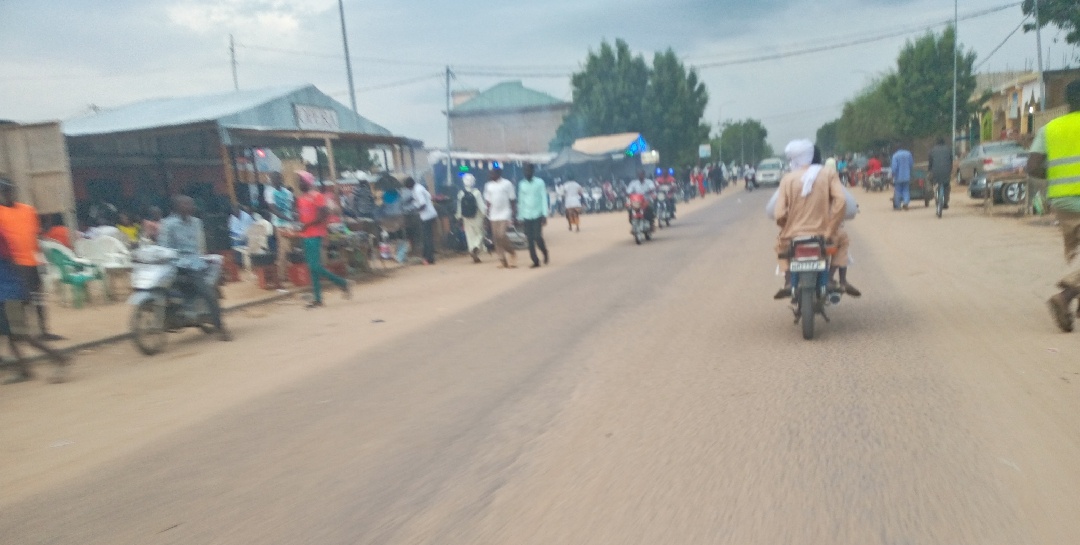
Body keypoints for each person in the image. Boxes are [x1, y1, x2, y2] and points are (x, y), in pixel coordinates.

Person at [1027, 78, 1080, 332]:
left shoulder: (1051, 128)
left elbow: (1033, 167)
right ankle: (1067, 295)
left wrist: (1057, 177)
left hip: (1061, 201)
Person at [770, 140, 846, 299]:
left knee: (781, 247)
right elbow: (841, 202)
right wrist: (831, 228)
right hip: (824, 233)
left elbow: (778, 213)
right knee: (843, 240)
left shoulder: (787, 179)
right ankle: (831, 278)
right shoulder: (828, 173)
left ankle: (789, 280)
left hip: (793, 234)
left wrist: (786, 226)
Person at [0, 227, 68, 384]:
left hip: (10, 295)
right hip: (8, 293)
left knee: (21, 335)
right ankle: (24, 370)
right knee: (11, 335)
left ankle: (60, 358)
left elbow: (13, 267)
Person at [158, 195, 231, 340]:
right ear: (176, 207)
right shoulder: (168, 224)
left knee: (207, 292)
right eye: (185, 204)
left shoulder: (196, 223)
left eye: (190, 204)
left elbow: (200, 243)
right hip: (173, 263)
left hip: (193, 264)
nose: (189, 206)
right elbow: (163, 246)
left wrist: (201, 257)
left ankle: (220, 327)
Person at [0, 180, 64, 341]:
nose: (7, 194)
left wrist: (40, 257)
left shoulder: (28, 210)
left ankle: (43, 331)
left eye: (9, 191)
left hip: (33, 262)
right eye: (4, 191)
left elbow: (35, 234)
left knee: (38, 299)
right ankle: (20, 334)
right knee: (20, 300)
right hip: (13, 264)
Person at [296, 178, 351, 308]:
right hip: (306, 234)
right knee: (312, 268)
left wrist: (308, 225)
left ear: (308, 183)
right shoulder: (301, 199)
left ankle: (342, 283)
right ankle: (318, 298)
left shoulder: (317, 196)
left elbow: (322, 215)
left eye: (302, 182)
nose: (300, 184)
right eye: (299, 182)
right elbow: (303, 216)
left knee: (315, 266)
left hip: (315, 234)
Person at [824, 157, 861, 297]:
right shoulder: (835, 184)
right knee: (842, 240)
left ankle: (789, 280)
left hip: (803, 231)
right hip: (827, 231)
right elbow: (850, 209)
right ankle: (840, 279)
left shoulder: (800, 181)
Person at [517, 163, 549, 269]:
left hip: (537, 213)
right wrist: (520, 216)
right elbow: (521, 201)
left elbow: (543, 198)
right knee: (529, 239)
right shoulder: (522, 184)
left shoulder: (540, 183)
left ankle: (544, 251)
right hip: (526, 214)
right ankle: (535, 260)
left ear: (533, 171)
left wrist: (545, 214)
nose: (526, 173)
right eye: (525, 171)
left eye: (528, 170)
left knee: (537, 237)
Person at [484, 167, 517, 269]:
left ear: (499, 173)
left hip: (505, 213)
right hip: (493, 214)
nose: (490, 176)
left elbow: (512, 199)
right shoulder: (488, 185)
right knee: (496, 238)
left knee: (501, 235)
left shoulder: (507, 184)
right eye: (490, 174)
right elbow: (488, 202)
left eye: (492, 174)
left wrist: (514, 213)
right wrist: (487, 214)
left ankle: (511, 252)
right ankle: (502, 260)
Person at [404, 177, 437, 265]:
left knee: (427, 238)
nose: (408, 189)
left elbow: (423, 204)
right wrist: (411, 201)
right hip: (429, 214)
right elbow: (428, 197)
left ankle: (429, 258)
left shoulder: (417, 190)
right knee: (428, 237)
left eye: (408, 187)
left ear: (410, 185)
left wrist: (416, 210)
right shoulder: (419, 187)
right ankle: (429, 257)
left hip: (427, 215)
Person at [456, 173, 486, 263]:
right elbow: (481, 206)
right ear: (473, 182)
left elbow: (459, 207)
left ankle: (472, 250)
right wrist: (486, 215)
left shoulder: (460, 193)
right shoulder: (477, 193)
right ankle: (476, 247)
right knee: (480, 234)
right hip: (477, 217)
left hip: (466, 218)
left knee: (470, 236)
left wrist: (459, 217)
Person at [928, 137, 954, 210]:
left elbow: (930, 163)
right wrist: (950, 170)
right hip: (946, 171)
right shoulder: (948, 150)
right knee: (946, 186)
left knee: (933, 182)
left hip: (935, 172)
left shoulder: (932, 151)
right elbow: (951, 161)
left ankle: (935, 194)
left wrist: (929, 170)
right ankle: (945, 202)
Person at [891, 145, 914, 210]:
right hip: (907, 176)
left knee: (898, 190)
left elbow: (894, 167)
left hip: (898, 176)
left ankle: (898, 206)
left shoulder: (895, 155)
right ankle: (906, 202)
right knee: (906, 190)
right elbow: (911, 164)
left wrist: (893, 174)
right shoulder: (908, 154)